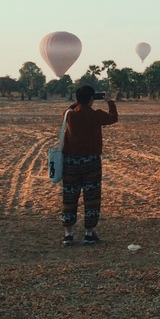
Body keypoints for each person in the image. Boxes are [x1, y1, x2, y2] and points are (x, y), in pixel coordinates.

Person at [60, 85, 118, 245]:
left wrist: (76, 103)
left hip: (70, 162)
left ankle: (68, 234)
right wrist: (110, 102)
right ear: (92, 99)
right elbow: (114, 117)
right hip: (91, 161)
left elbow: (66, 112)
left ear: (78, 99)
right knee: (91, 197)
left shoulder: (70, 115)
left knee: (69, 196)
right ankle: (89, 233)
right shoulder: (96, 115)